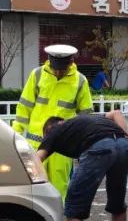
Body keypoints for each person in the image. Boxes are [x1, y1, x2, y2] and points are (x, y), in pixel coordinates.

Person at [13, 45, 93, 198]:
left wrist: (83, 143)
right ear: (49, 61)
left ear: (71, 63)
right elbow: (24, 106)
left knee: (59, 187)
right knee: (33, 185)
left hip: (62, 147)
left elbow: (85, 115)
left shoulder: (80, 81)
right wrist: (16, 132)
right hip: (36, 143)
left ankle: (58, 218)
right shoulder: (37, 75)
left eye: (62, 69)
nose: (58, 72)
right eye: (55, 68)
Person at [37, 110, 128, 221]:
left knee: (74, 206)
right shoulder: (86, 119)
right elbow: (116, 113)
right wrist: (126, 139)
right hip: (124, 145)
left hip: (99, 146)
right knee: (117, 202)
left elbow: (36, 159)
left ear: (49, 129)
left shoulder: (54, 130)